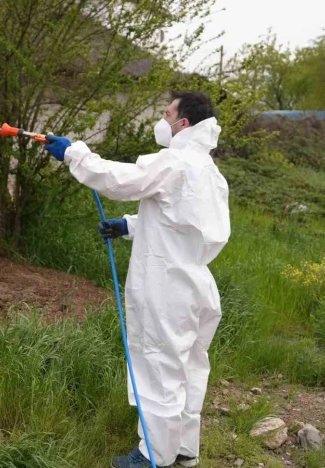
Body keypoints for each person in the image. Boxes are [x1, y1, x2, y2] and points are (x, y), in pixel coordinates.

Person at [44, 92, 231, 468]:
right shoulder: (208, 171)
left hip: (166, 288)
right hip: (197, 285)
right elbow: (182, 220)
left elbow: (118, 180)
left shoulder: (175, 161)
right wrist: (129, 226)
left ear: (183, 123)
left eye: (167, 113)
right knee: (190, 369)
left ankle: (153, 456)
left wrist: (74, 154)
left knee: (159, 367)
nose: (162, 119)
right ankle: (183, 448)